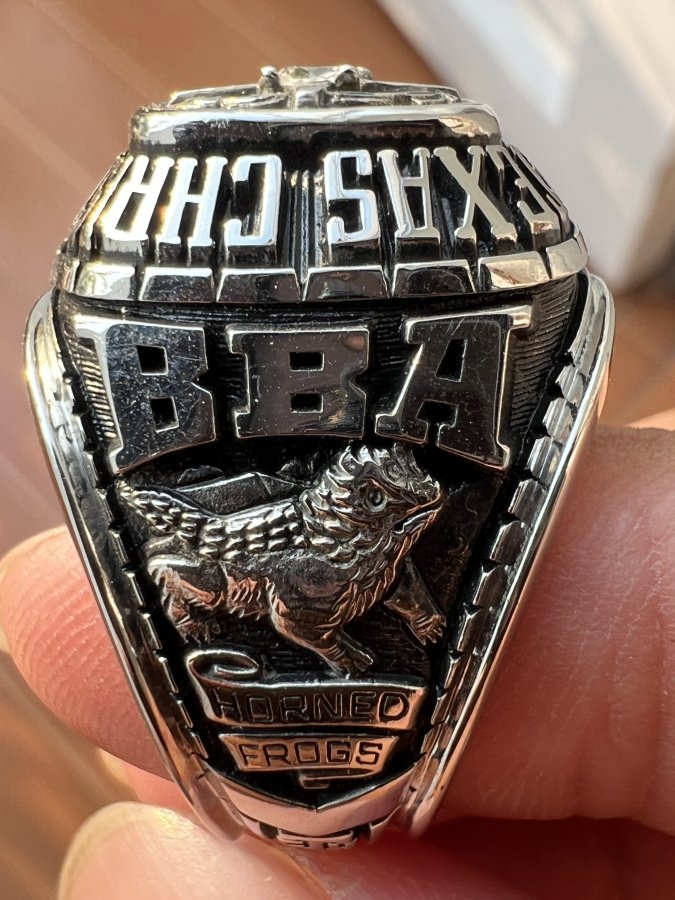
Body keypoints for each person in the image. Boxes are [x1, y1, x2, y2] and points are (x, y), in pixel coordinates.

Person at [1, 414, 674, 899]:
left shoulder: (371, 547)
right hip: (228, 571)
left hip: (414, 798)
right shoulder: (319, 559)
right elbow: (292, 615)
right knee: (190, 580)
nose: (417, 509)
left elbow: (391, 574)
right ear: (363, 504)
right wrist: (342, 651)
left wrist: (419, 613)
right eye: (389, 501)